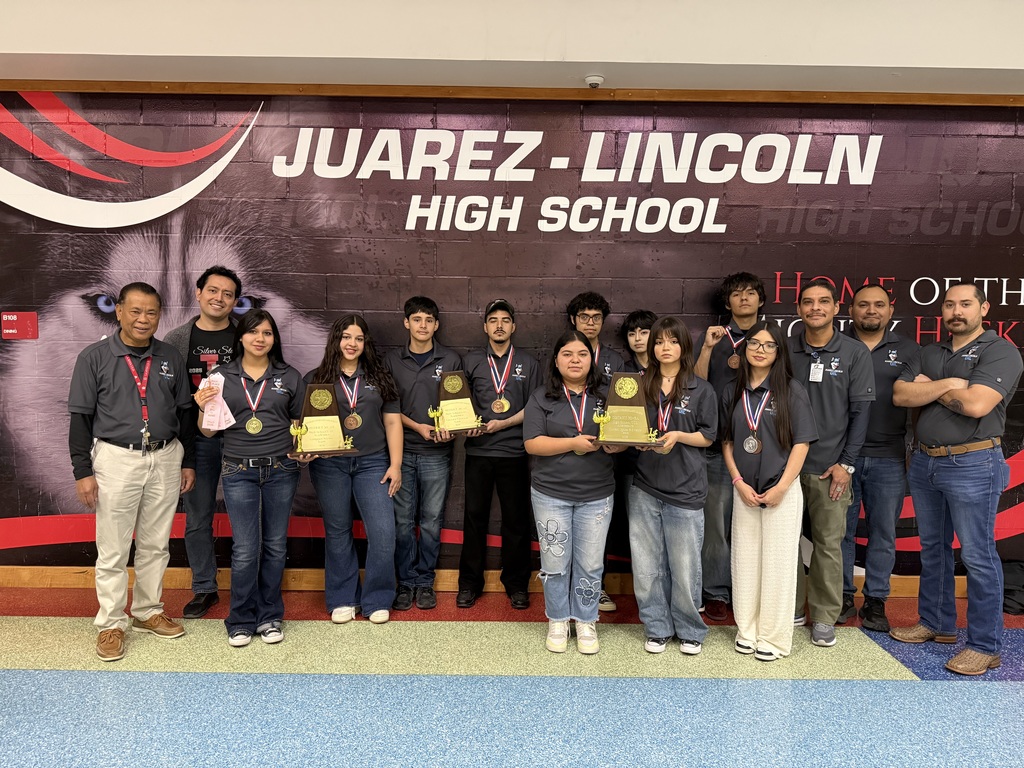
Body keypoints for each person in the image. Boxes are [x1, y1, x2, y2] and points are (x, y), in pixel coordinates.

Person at [890, 284, 1023, 676]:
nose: (956, 311)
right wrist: (951, 385)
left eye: (965, 304)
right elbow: (900, 394)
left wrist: (931, 388)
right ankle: (936, 624)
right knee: (933, 548)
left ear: (983, 307)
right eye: (949, 304)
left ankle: (985, 645)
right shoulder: (929, 351)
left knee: (977, 555)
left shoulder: (1000, 351)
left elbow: (977, 404)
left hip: (974, 463)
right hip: (926, 462)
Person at [68, 282, 195, 662]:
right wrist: (82, 470)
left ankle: (147, 611)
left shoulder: (170, 355)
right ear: (119, 311)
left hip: (166, 455)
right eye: (135, 311)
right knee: (113, 547)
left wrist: (186, 460)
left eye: (151, 312)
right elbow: (80, 418)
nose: (143, 319)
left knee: (156, 543)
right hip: (116, 459)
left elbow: (185, 412)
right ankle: (110, 622)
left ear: (160, 315)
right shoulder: (94, 357)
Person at [194, 308, 304, 647]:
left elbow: (302, 425)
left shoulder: (290, 376)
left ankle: (269, 616)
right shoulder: (218, 378)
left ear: (274, 339)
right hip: (238, 470)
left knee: (274, 546)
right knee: (245, 549)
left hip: (282, 469)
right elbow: (208, 433)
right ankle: (240, 618)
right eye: (254, 332)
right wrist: (201, 406)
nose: (260, 339)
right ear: (240, 337)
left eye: (267, 333)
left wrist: (305, 446)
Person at [523, 330, 623, 654]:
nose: (575, 360)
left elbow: (620, 437)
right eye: (567, 354)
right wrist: (573, 443)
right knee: (554, 563)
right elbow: (532, 443)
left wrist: (615, 444)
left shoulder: (607, 395)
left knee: (591, 564)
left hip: (597, 495)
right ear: (556, 360)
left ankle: (585, 619)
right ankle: (557, 618)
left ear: (591, 359)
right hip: (550, 493)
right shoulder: (542, 396)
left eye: (582, 354)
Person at [722, 322, 817, 661]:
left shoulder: (791, 390)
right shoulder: (734, 389)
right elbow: (729, 442)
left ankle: (774, 639)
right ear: (745, 350)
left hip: (782, 490)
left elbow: (802, 443)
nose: (760, 349)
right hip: (744, 489)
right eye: (754, 343)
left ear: (779, 352)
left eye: (769, 345)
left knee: (777, 564)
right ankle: (746, 630)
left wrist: (782, 486)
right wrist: (737, 482)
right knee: (745, 561)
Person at [788, 278, 875, 648]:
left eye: (824, 302)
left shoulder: (855, 353)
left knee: (828, 544)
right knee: (784, 543)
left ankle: (824, 615)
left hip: (830, 469)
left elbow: (861, 414)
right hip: (786, 469)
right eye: (808, 302)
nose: (815, 308)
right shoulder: (784, 348)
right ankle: (789, 608)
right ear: (799, 309)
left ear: (836, 308)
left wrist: (847, 464)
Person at [305, 315, 403, 625]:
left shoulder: (379, 377)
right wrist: (306, 447)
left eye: (358, 339)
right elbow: (304, 425)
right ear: (336, 340)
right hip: (329, 463)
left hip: (372, 461)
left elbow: (392, 421)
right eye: (346, 337)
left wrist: (396, 464)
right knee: (337, 530)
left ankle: (377, 598)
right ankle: (343, 597)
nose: (352, 344)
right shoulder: (317, 377)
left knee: (384, 532)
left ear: (365, 343)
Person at [629, 317, 717, 655]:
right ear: (652, 348)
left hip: (685, 489)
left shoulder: (700, 388)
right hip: (645, 486)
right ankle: (657, 627)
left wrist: (679, 435)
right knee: (647, 565)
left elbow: (708, 436)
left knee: (684, 566)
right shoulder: (638, 385)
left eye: (673, 341)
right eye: (659, 342)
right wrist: (632, 440)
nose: (665, 348)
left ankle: (691, 629)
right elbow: (629, 426)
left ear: (684, 346)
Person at [838, 284, 920, 632]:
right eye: (863, 305)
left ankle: (875, 602)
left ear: (890, 310)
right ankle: (840, 596)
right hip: (840, 458)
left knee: (883, 533)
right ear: (851, 310)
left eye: (879, 305)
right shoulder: (835, 344)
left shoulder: (909, 349)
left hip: (888, 457)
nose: (871, 310)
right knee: (838, 532)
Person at [164, 265, 241, 618]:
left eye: (227, 294)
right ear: (198, 293)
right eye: (213, 290)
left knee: (246, 517)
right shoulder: (177, 341)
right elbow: (170, 396)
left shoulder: (248, 335)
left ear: (235, 301)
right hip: (198, 440)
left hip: (242, 439)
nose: (219, 298)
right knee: (197, 517)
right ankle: (204, 588)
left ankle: (246, 588)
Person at [460, 299, 542, 610]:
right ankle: (469, 583)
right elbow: (457, 405)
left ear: (513, 327)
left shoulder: (528, 364)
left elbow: (534, 408)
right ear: (485, 326)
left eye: (505, 320)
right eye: (493, 320)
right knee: (474, 519)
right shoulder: (470, 362)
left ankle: (517, 585)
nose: (499, 325)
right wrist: (464, 426)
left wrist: (503, 423)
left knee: (516, 522)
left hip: (514, 453)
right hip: (478, 452)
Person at [694, 272, 766, 622]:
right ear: (727, 303)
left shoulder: (771, 339)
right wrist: (708, 347)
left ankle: (750, 591)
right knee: (716, 526)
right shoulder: (715, 338)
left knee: (756, 523)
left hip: (763, 449)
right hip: (718, 445)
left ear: (761, 300)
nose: (744, 299)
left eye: (751, 293)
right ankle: (717, 591)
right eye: (737, 295)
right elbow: (695, 383)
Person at [384, 297, 462, 611]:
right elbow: (387, 409)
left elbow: (457, 409)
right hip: (401, 454)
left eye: (429, 320)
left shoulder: (451, 358)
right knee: (402, 522)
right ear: (406, 323)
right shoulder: (391, 360)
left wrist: (449, 428)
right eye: (416, 319)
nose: (423, 326)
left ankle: (424, 581)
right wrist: (417, 426)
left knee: (431, 522)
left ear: (436, 325)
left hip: (437, 455)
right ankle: (405, 582)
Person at [567, 290, 625, 611]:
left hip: (603, 451)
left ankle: (595, 587)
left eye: (596, 318)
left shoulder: (614, 360)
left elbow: (624, 402)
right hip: (565, 450)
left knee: (597, 526)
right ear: (574, 320)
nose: (590, 323)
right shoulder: (563, 352)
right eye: (584, 317)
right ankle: (565, 587)